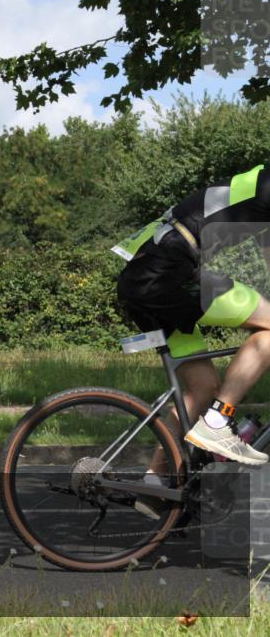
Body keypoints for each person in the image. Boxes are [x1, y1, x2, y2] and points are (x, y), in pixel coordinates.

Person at [113, 164, 270, 518]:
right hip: (167, 272)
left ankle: (155, 482)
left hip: (147, 274)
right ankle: (219, 423)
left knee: (202, 388)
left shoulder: (256, 185)